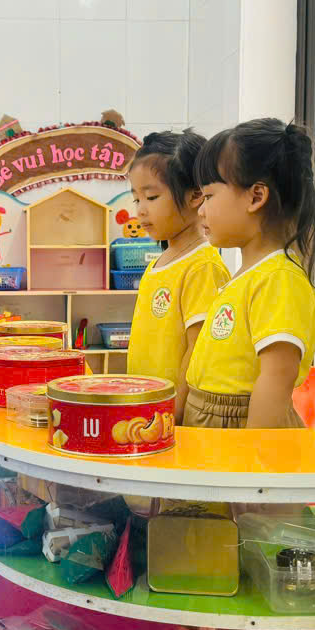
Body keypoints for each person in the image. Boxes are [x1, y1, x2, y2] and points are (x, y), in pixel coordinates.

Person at [184, 118, 315, 429]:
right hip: (215, 422)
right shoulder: (250, 274)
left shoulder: (279, 278)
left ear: (255, 197)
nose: (201, 210)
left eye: (208, 196)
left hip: (245, 432)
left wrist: (253, 456)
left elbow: (277, 379)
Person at [124, 130, 229, 422]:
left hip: (171, 418)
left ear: (195, 195)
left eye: (151, 197)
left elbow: (197, 352)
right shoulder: (157, 264)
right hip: (146, 411)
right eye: (136, 199)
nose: (141, 210)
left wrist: (174, 414)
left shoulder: (202, 266)